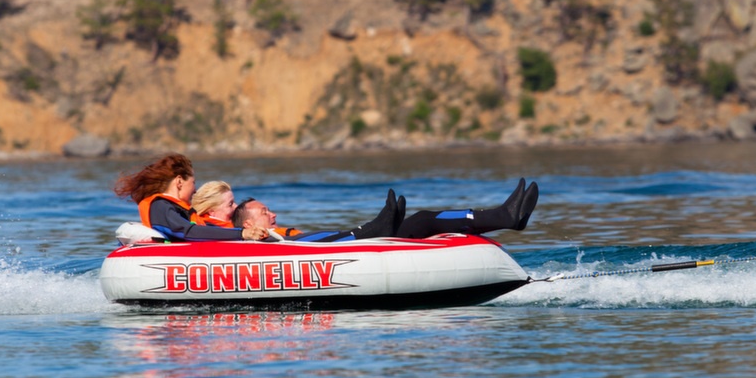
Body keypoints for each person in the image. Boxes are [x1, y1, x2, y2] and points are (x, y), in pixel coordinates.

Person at [113, 153, 399, 242]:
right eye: (192, 183)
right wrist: (243, 235)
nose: (194, 190)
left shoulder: (169, 207)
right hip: (212, 252)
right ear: (178, 182)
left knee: (294, 237)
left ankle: (369, 230)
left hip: (219, 247)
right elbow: (186, 231)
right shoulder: (161, 207)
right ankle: (368, 231)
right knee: (294, 241)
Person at [234, 178, 539, 241]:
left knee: (422, 218)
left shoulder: (280, 234)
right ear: (248, 224)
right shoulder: (258, 240)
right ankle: (375, 228)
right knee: (418, 220)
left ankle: (503, 216)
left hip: (353, 240)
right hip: (349, 247)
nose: (272, 214)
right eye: (264, 211)